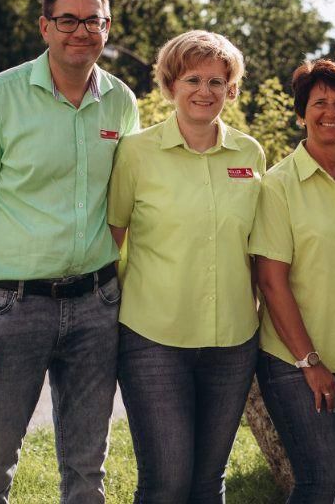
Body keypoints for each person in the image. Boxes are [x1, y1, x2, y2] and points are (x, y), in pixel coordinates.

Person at [0, 0, 139, 503]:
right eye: (68, 20)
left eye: (93, 21)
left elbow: (123, 202)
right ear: (45, 27)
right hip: (12, 308)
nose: (81, 31)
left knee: (87, 474)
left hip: (96, 307)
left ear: (107, 28)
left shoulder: (121, 102)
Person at [106, 30, 264, 502]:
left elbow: (257, 248)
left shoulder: (250, 154)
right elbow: (111, 241)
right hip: (154, 340)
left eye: (217, 81)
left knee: (208, 481)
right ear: (170, 85)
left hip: (233, 342)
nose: (204, 91)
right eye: (193, 79)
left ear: (230, 90)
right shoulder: (136, 152)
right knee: (167, 482)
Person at [249, 59, 335, 504]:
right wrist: (310, 361)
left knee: (333, 480)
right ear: (301, 113)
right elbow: (271, 281)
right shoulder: (278, 185)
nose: (330, 112)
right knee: (317, 481)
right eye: (319, 102)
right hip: (295, 362)